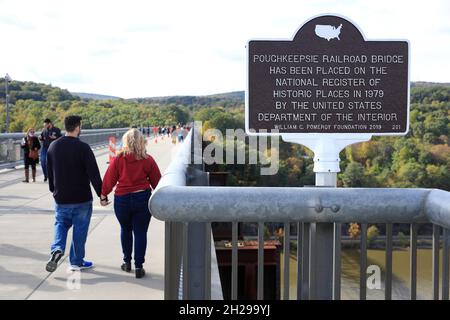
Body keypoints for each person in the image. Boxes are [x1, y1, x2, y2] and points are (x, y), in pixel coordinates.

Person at [45, 115, 105, 273]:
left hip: (62, 197)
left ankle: (57, 248)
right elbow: (94, 174)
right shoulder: (83, 148)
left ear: (65, 127)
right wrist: (102, 194)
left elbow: (49, 172)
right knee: (80, 230)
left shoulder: (53, 147)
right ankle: (76, 262)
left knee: (60, 224)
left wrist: (53, 189)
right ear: (78, 127)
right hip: (81, 198)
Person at [101, 128, 161, 278]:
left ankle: (127, 263)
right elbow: (157, 182)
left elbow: (109, 179)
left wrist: (103, 195)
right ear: (142, 141)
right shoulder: (148, 159)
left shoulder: (118, 159)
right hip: (142, 199)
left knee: (125, 230)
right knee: (140, 233)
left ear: (125, 141)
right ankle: (139, 266)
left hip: (122, 200)